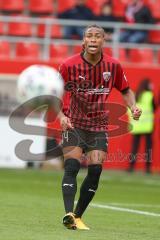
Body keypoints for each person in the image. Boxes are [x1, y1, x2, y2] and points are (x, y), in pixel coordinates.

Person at [58, 24, 142, 230]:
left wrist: (133, 106)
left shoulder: (113, 66)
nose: (93, 39)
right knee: (72, 166)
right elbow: (54, 94)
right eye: (89, 36)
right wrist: (60, 115)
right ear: (83, 41)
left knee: (95, 170)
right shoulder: (68, 65)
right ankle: (68, 211)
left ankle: (76, 217)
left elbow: (125, 90)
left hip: (98, 126)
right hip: (74, 123)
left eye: (98, 36)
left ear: (104, 40)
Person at [128, 78, 155, 174]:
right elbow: (154, 107)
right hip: (147, 126)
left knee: (134, 147)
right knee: (148, 148)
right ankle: (148, 168)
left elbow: (130, 107)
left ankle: (131, 167)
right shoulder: (149, 95)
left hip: (136, 125)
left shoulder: (135, 94)